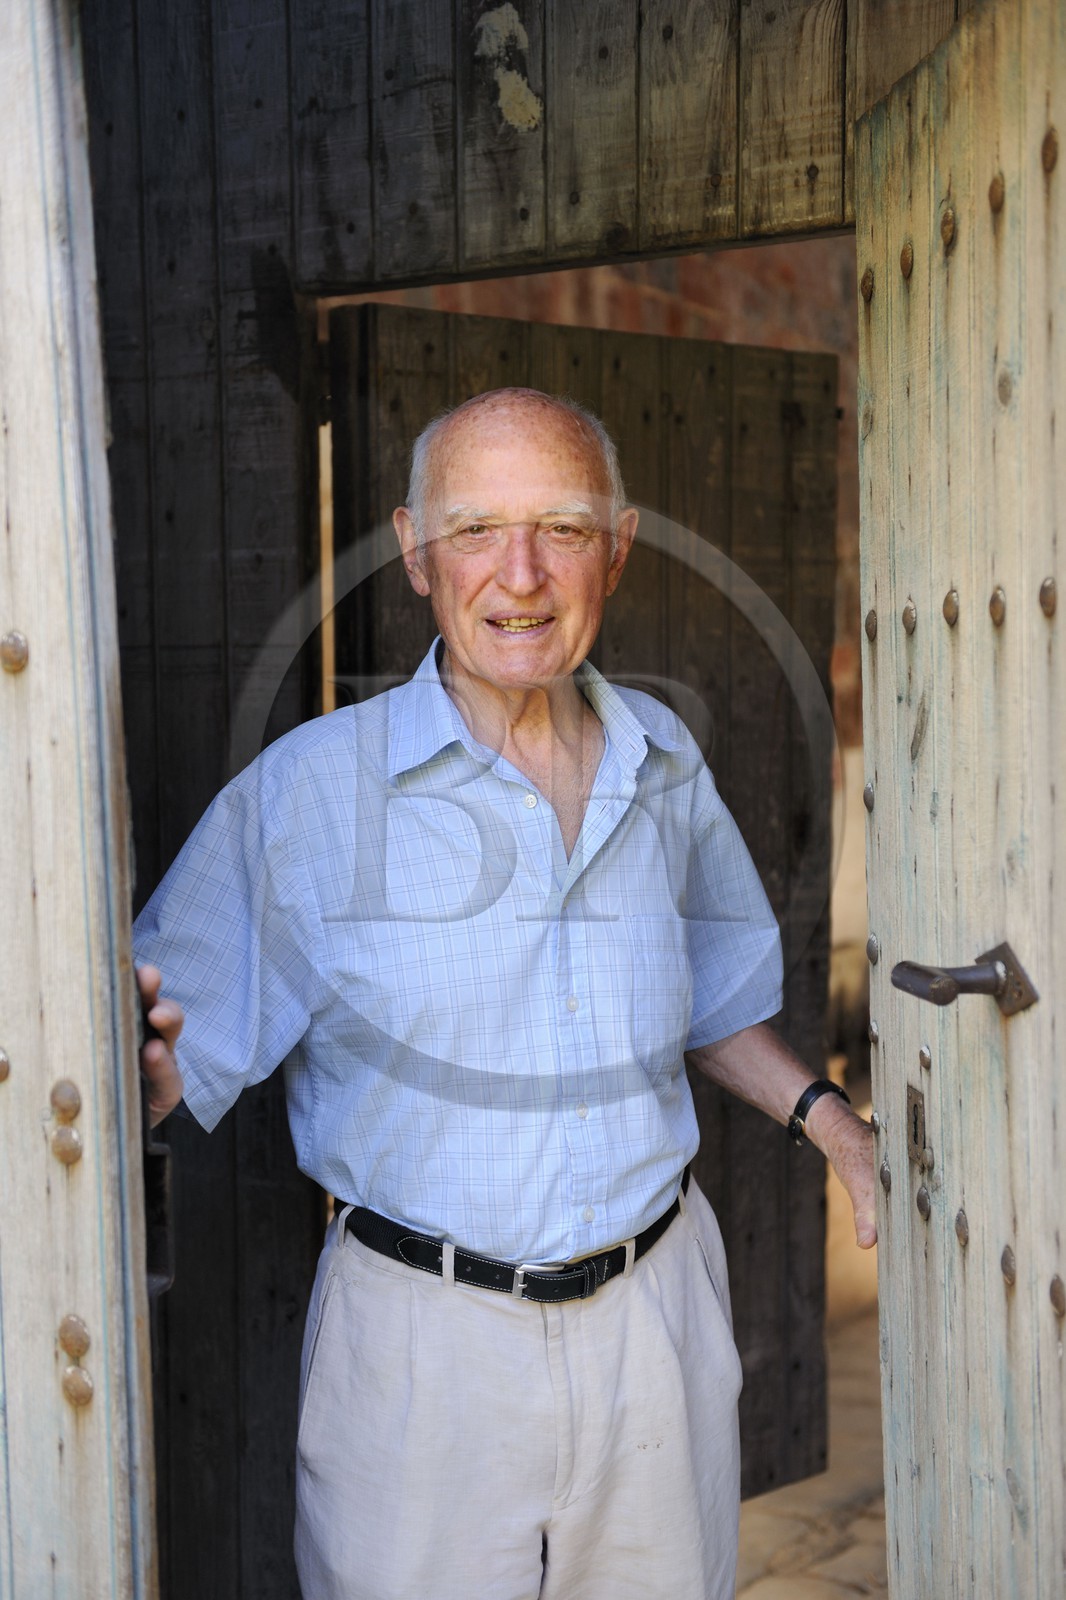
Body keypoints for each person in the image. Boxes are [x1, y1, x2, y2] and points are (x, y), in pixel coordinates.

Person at [136, 387, 876, 1600]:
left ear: (619, 547)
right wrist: (125, 1072)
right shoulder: (312, 797)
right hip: (426, 1352)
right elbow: (149, 1064)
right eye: (475, 528)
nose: (519, 572)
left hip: (655, 1323)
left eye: (563, 529)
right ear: (417, 553)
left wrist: (829, 1120)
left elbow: (709, 998)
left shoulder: (661, 758)